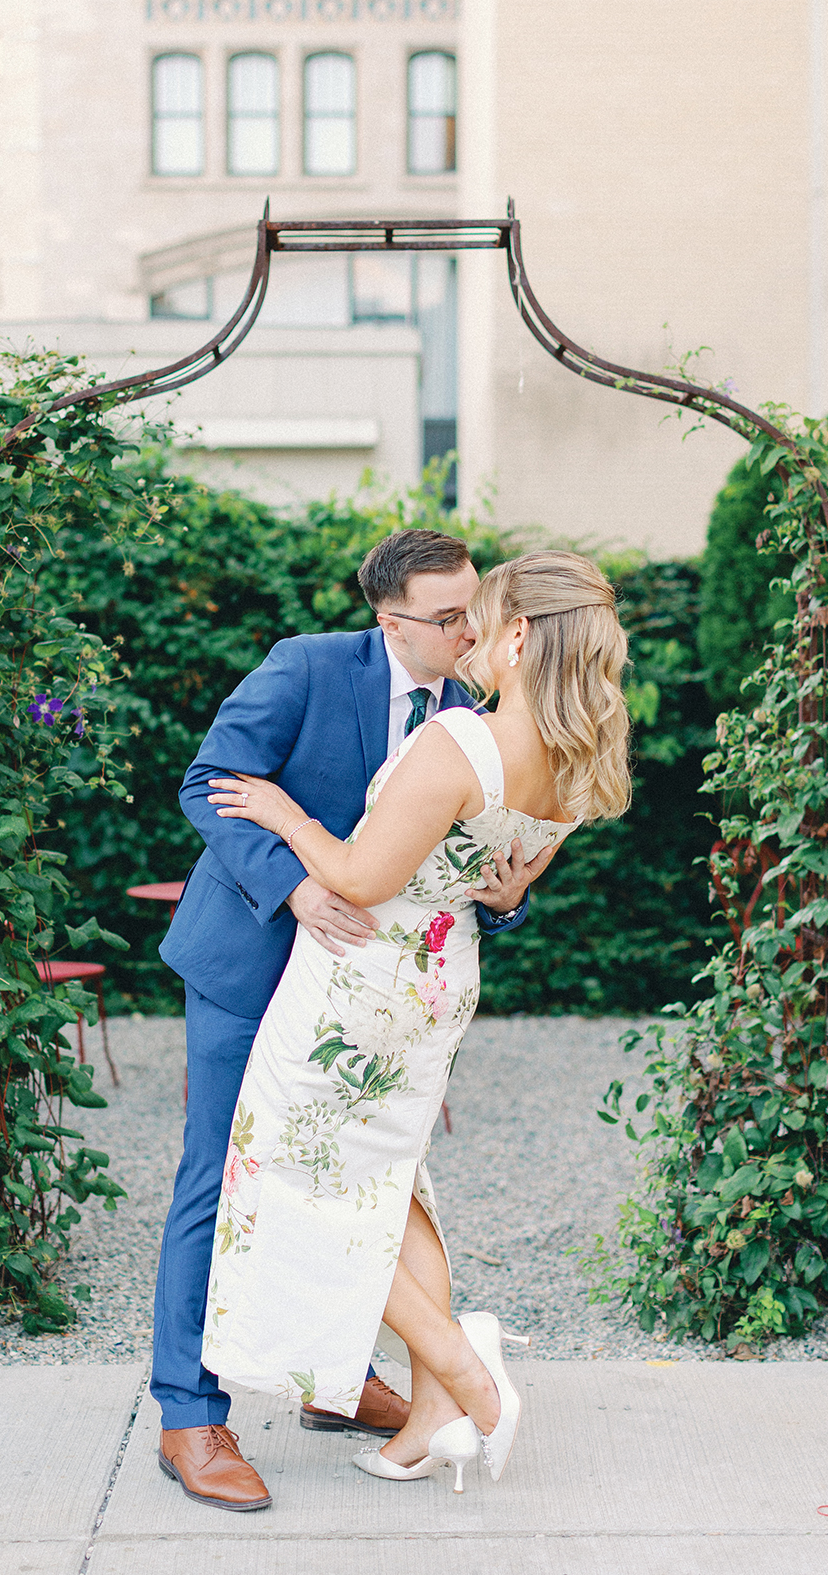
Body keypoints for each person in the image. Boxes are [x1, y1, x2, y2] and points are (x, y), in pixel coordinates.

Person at [200, 551, 631, 1495]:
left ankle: (466, 1370)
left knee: (297, 1179)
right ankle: (433, 1409)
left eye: (486, 617)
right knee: (393, 1181)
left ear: (521, 635)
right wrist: (505, 891)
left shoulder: (461, 740)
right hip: (440, 982)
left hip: (359, 979)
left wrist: (281, 812)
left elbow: (360, 877)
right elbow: (504, 877)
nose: (471, 633)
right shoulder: (581, 757)